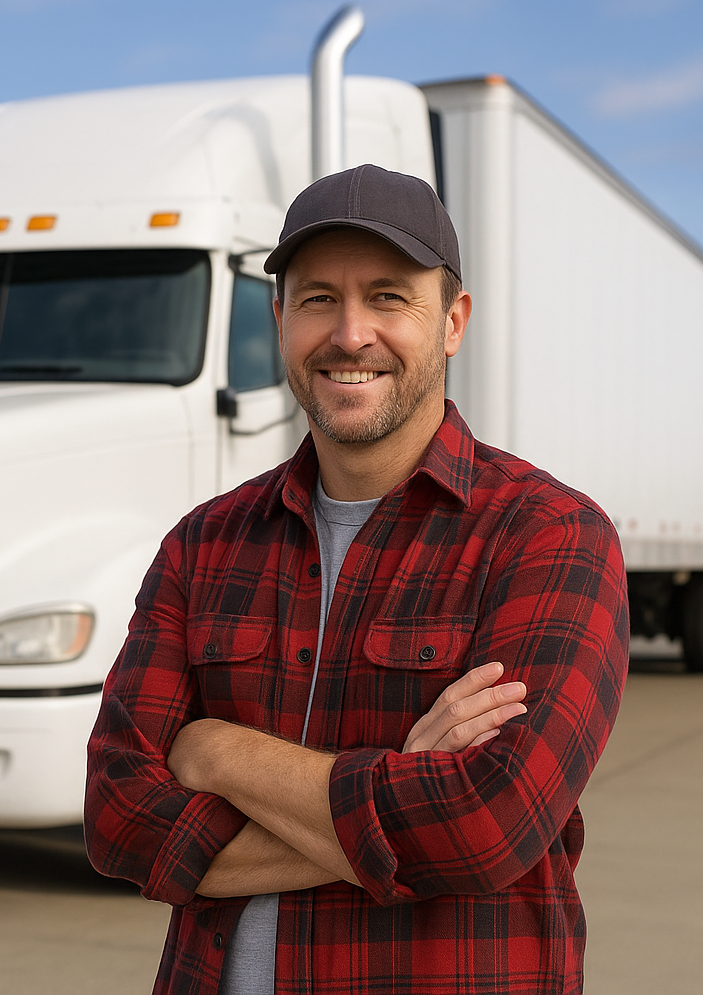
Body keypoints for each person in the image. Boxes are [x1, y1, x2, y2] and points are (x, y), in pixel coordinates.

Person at [85, 164, 628, 995]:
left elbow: (488, 824)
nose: (349, 333)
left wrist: (217, 751)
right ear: (279, 320)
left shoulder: (548, 537)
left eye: (387, 297)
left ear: (451, 322)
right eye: (315, 300)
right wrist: (398, 792)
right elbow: (119, 818)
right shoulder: (204, 546)